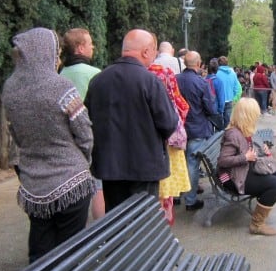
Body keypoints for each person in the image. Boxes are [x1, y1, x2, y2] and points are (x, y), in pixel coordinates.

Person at [3, 28, 95, 264]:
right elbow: (84, 132)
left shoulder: (10, 89)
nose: (59, 59)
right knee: (71, 250)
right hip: (70, 180)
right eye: (57, 52)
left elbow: (14, 132)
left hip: (33, 183)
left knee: (40, 248)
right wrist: (83, 159)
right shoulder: (60, 86)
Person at [85, 29, 178, 211]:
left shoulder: (98, 81)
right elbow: (168, 123)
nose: (154, 56)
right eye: (153, 51)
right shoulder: (150, 81)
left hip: (110, 166)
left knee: (116, 219)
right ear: (145, 51)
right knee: (143, 221)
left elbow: (88, 121)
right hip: (145, 167)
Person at [217, 98, 276, 236]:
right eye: (255, 114)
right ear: (247, 115)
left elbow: (251, 150)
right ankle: (256, 224)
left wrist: (263, 150)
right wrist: (245, 157)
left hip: (245, 170)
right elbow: (223, 161)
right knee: (275, 185)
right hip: (233, 178)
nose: (258, 116)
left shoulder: (245, 129)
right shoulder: (233, 134)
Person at [59, 27, 105, 221]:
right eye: (89, 43)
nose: (92, 46)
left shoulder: (60, 76)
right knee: (98, 187)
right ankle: (102, 231)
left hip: (66, 142)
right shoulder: (96, 74)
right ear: (79, 48)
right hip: (92, 138)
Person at [148, 55, 191, 222]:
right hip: (170, 147)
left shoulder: (144, 77)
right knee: (166, 194)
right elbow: (183, 107)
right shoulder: (168, 78)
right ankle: (164, 227)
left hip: (147, 150)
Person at [177, 51, 218, 211]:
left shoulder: (175, 80)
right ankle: (190, 200)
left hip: (178, 129)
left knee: (178, 163)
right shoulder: (201, 83)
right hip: (197, 129)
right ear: (199, 63)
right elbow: (211, 108)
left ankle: (175, 195)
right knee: (192, 164)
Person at [215, 56, 242, 128]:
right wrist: (235, 98)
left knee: (218, 121)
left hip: (219, 100)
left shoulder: (216, 74)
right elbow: (237, 87)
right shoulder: (233, 74)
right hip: (230, 99)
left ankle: (219, 136)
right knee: (228, 121)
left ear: (218, 64)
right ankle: (227, 135)